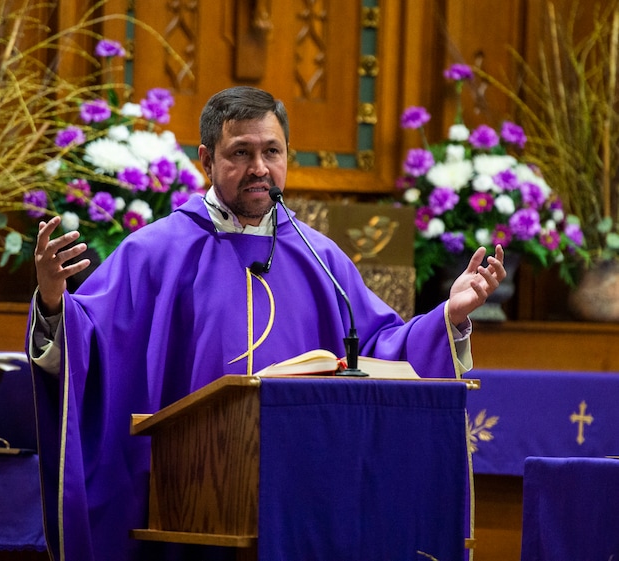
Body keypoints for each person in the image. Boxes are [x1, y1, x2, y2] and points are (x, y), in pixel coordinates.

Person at [28, 86, 506, 561]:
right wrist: (53, 300)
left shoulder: (320, 256)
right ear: (206, 159)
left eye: (271, 151)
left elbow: (381, 348)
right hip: (192, 498)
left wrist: (449, 316)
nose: (260, 168)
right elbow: (90, 346)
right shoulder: (153, 254)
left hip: (303, 497)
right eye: (241, 152)